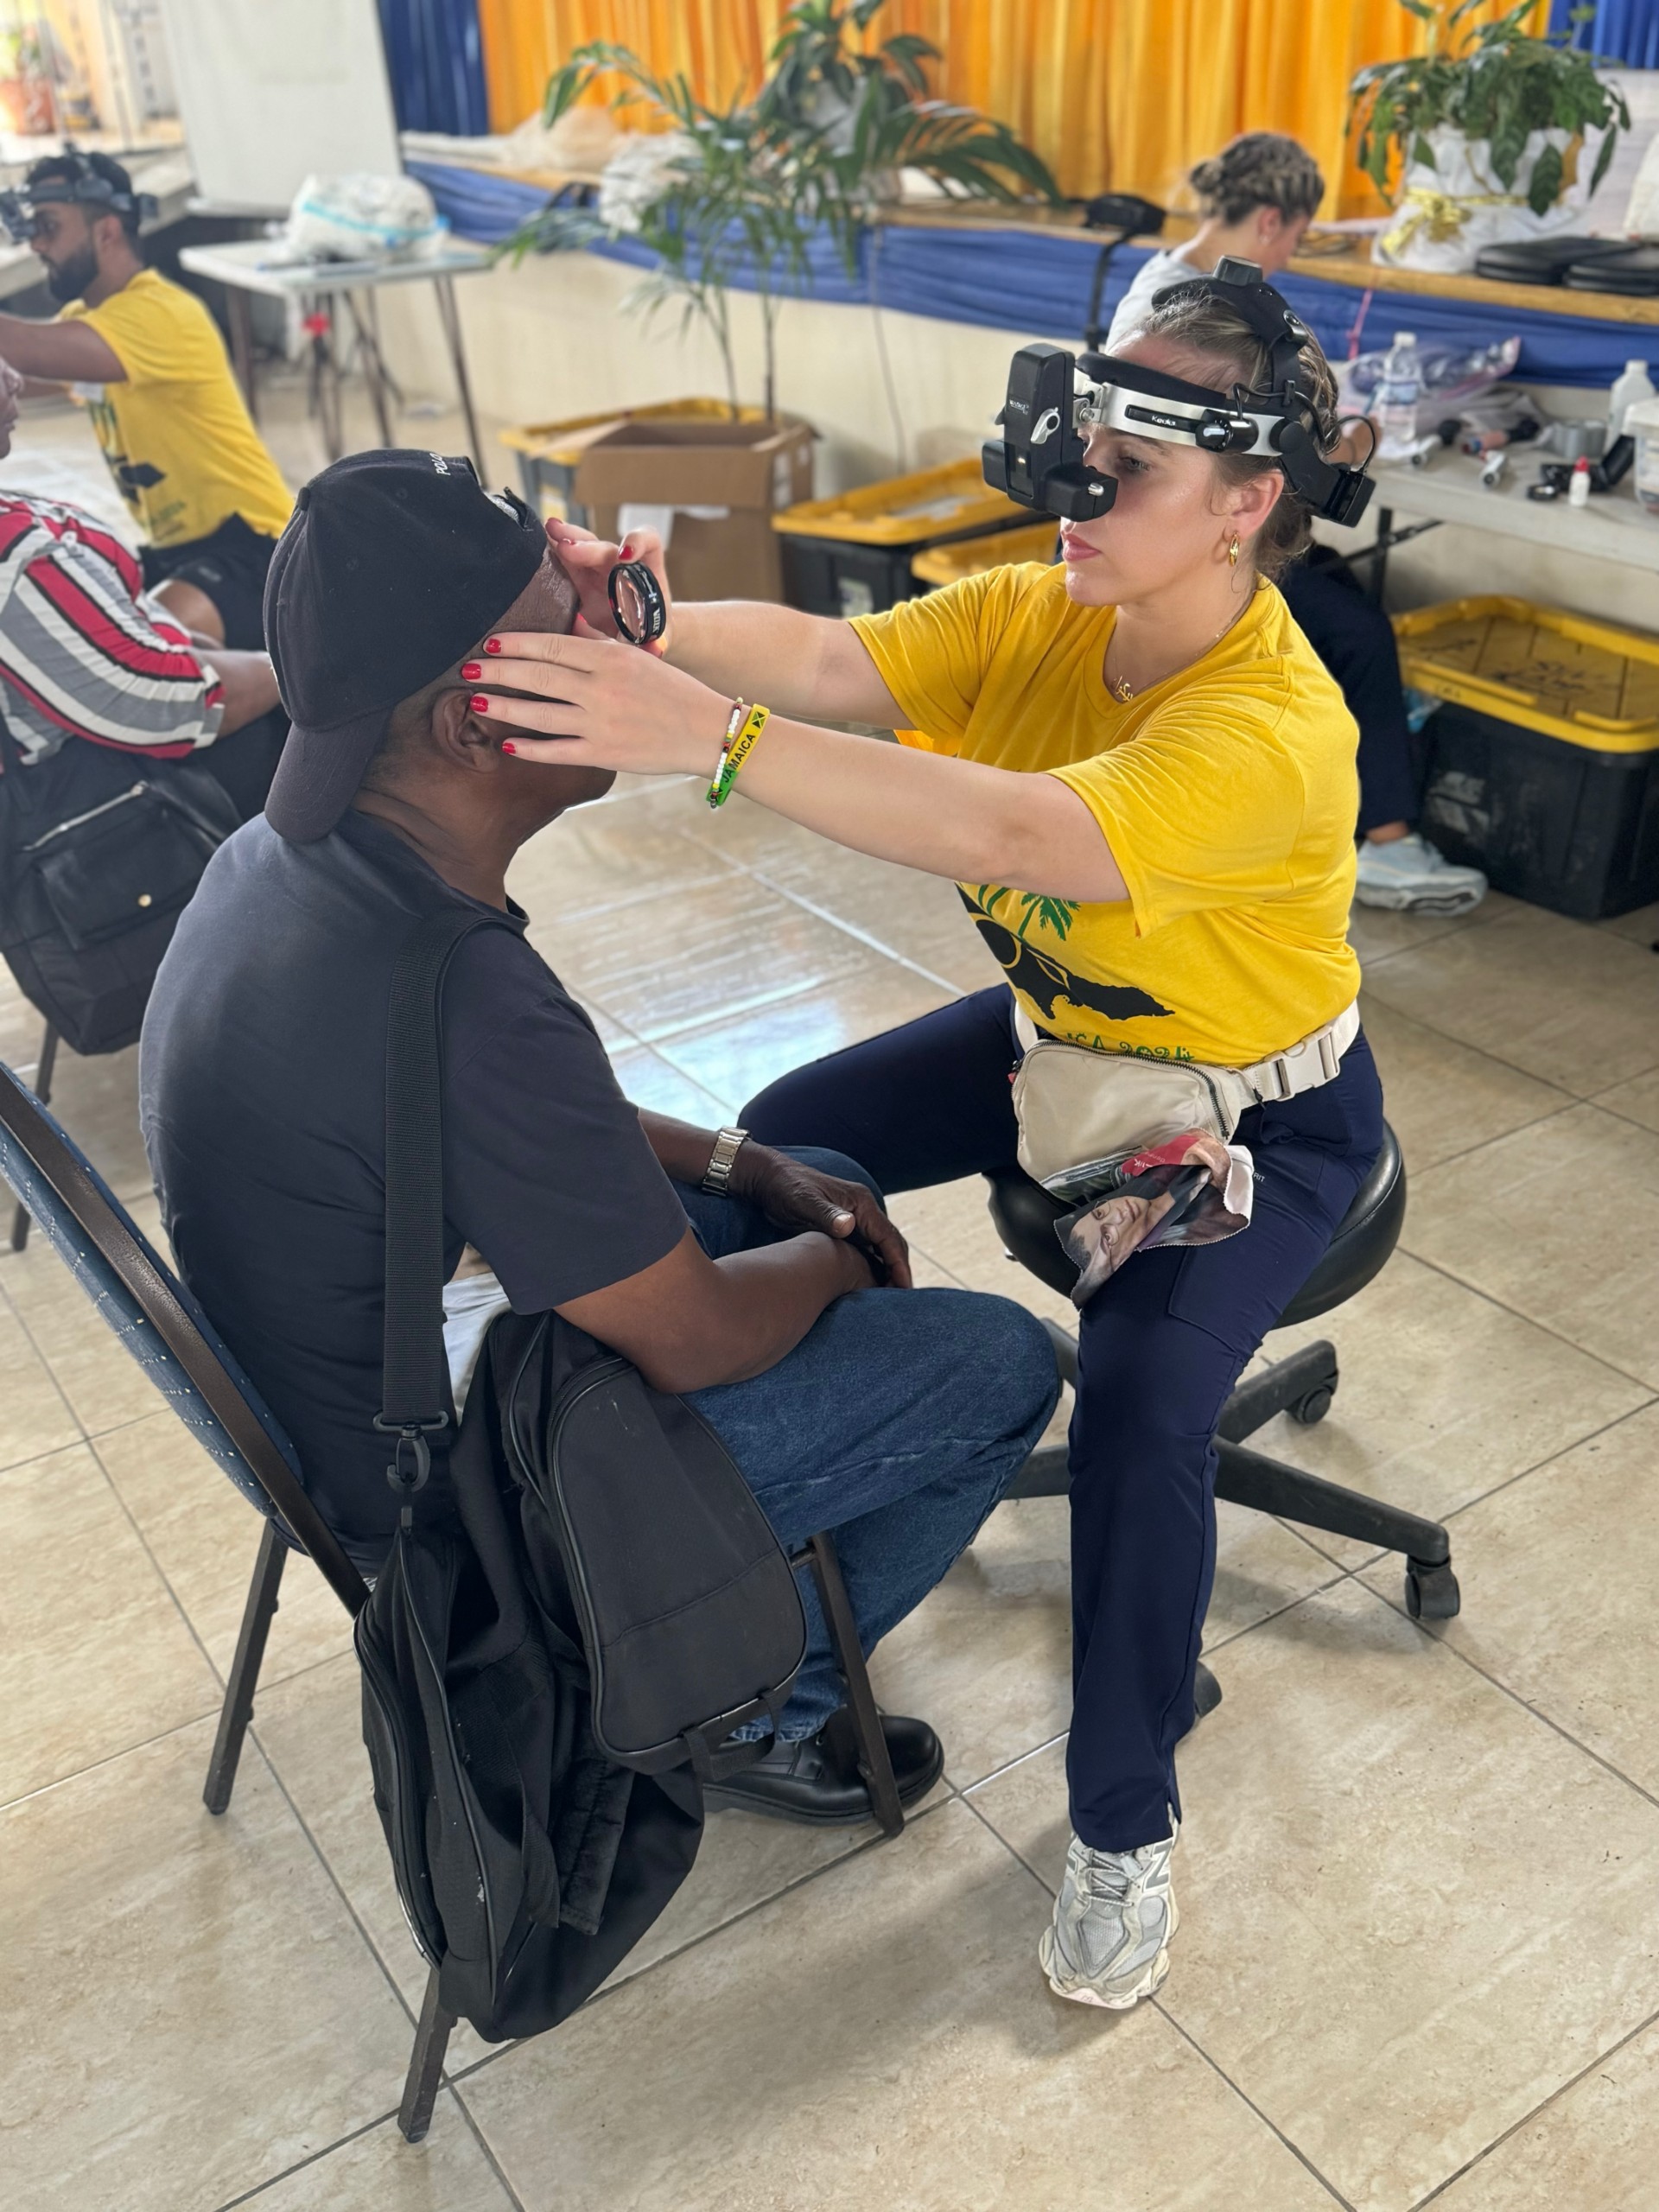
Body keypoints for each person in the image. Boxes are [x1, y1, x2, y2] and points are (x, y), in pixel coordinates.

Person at [470, 276, 1386, 2007]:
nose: (1077, 493)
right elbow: (832, 657)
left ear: (1248, 503)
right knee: (794, 1134)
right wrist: (645, 615)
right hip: (1067, 1041)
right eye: (1084, 448)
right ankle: (830, 1471)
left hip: (1237, 1116)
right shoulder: (1052, 611)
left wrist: (716, 747)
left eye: (1127, 467)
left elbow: (1016, 824)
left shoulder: (1271, 727)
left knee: (1135, 1407)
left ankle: (1124, 1820)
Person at [139, 449, 1058, 1827]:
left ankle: (746, 1603)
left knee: (829, 1183)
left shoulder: (294, 864)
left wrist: (764, 1174)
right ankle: (754, 1704)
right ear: (469, 720)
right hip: (464, 1508)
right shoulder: (456, 984)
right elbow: (686, 1336)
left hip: (366, 1381)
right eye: (567, 635)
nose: (611, 652)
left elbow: (514, 1125)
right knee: (994, 1360)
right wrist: (843, 1265)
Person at [1109, 131, 1486, 918]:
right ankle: (1385, 843)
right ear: (1274, 220)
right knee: (1357, 634)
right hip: (1184, 541)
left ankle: (1333, 814)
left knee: (1338, 594)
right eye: (1301, 237)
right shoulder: (1197, 309)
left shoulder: (1173, 281)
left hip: (1178, 525)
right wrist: (1360, 438)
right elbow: (1265, 462)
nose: (1293, 255)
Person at [0, 150, 292, 649]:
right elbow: (24, 373)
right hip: (175, 549)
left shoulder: (159, 313)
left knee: (136, 650)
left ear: (106, 232)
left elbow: (29, 350)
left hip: (256, 548)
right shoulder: (90, 320)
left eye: (49, 226)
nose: (37, 244)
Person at [0, 353, 282, 812]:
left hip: (216, 565)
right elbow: (160, 701)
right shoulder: (15, 560)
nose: (15, 378)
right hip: (84, 809)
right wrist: (289, 671)